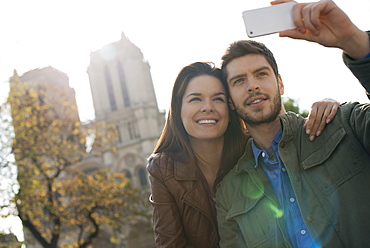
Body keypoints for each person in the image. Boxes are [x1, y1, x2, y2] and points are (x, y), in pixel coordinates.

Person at [215, 0, 370, 247]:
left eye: (261, 74)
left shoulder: (344, 123)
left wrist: (354, 41)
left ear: (280, 83)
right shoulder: (227, 195)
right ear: (231, 103)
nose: (252, 85)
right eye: (239, 80)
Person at [146, 61, 339, 247]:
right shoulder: (163, 169)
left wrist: (328, 105)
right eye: (195, 99)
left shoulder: (255, 150)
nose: (207, 107)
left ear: (231, 107)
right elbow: (170, 242)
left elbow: (288, 130)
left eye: (218, 98)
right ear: (178, 109)